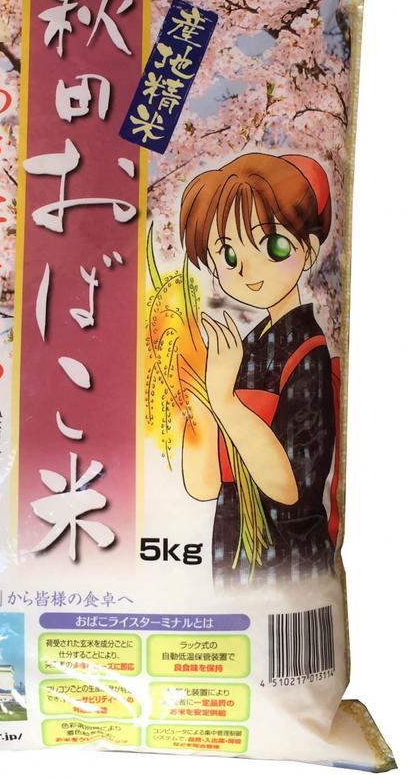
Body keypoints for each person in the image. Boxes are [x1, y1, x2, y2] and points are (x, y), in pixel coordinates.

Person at [179, 152, 337, 587]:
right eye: (228, 255)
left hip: (288, 556)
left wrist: (224, 401)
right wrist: (199, 395)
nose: (247, 271)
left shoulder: (308, 350)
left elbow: (292, 489)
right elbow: (204, 485)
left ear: (308, 250)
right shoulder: (240, 350)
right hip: (232, 549)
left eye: (273, 246)